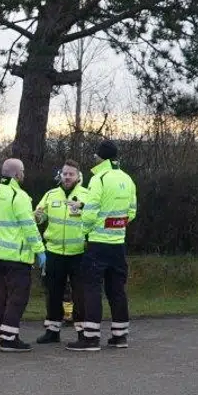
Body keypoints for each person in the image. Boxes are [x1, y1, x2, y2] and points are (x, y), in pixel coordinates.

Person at [68, 140, 138, 351]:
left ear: (101, 157)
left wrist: (85, 230)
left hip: (98, 244)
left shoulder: (100, 178)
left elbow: (91, 211)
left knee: (91, 289)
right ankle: (120, 335)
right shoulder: (127, 178)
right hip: (118, 243)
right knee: (117, 290)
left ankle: (90, 337)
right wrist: (116, 226)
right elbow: (131, 212)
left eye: (96, 155)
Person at [0, 158, 44, 352]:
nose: (24, 175)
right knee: (17, 297)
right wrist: (40, 251)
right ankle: (9, 337)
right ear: (17, 174)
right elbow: (28, 227)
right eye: (23, 172)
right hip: (16, 258)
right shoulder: (19, 196)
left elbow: (2, 222)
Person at [33, 160, 90, 344]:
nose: (67, 177)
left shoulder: (86, 195)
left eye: (70, 174)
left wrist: (83, 207)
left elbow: (95, 216)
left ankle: (82, 332)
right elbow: (40, 216)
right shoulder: (50, 195)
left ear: (78, 176)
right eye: (64, 174)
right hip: (54, 252)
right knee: (53, 292)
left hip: (78, 253)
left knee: (80, 294)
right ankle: (52, 331)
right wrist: (38, 216)